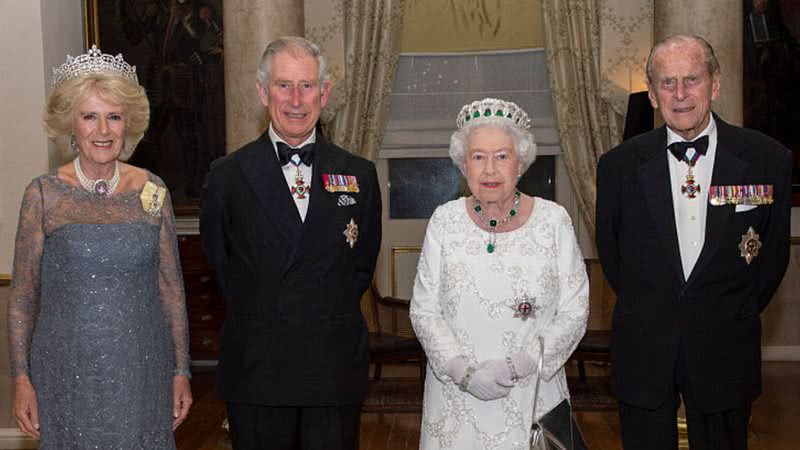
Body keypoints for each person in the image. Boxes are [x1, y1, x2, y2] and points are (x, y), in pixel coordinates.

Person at [596, 35, 792, 450]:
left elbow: (772, 257)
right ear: (651, 93)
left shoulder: (767, 159)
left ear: (715, 84)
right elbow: (613, 258)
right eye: (667, 83)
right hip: (645, 351)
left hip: (725, 349)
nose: (680, 94)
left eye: (692, 79)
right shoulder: (618, 168)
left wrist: (724, 309)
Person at [200, 36, 381, 450]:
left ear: (325, 92)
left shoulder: (360, 174)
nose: (296, 99)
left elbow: (359, 267)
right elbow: (223, 267)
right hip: (260, 370)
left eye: (307, 85)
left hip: (331, 369)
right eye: (283, 85)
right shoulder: (227, 176)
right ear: (263, 92)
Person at [8, 46, 192, 448]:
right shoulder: (43, 194)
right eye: (89, 117)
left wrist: (182, 371)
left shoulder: (152, 190)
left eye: (114, 117)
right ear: (70, 125)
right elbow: (23, 295)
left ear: (129, 124)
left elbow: (171, 288)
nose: (103, 130)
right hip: (65, 371)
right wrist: (21, 378)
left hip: (143, 370)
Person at [410, 98, 589, 450]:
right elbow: (424, 310)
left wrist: (521, 364)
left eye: (501, 156)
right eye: (478, 157)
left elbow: (576, 310)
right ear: (464, 164)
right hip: (456, 398)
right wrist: (464, 372)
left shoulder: (554, 221)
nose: (489, 169)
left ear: (520, 162)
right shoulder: (444, 221)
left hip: (532, 395)